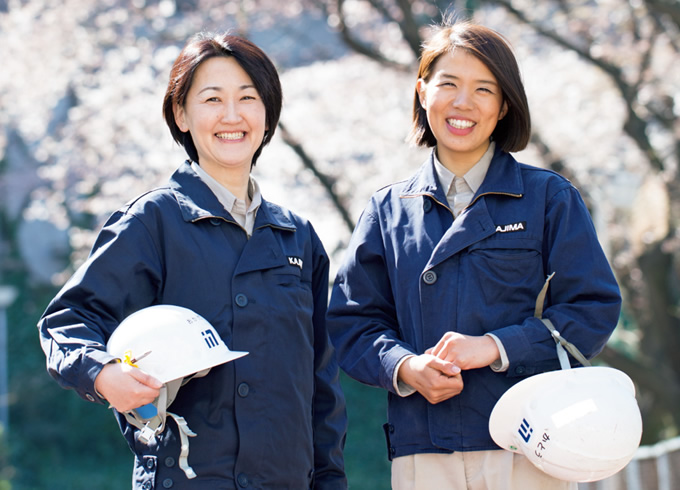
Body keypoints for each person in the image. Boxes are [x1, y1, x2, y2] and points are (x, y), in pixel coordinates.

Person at [38, 32, 347, 490]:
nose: (231, 115)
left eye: (248, 97)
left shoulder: (297, 238)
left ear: (268, 113)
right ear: (181, 115)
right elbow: (66, 322)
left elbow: (321, 388)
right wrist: (104, 375)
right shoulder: (151, 222)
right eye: (211, 99)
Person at [326, 18, 621, 490]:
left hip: (529, 448)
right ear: (422, 92)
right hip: (423, 453)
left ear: (504, 106)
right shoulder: (387, 210)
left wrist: (495, 347)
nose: (463, 103)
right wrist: (405, 367)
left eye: (484, 89)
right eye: (449, 84)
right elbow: (351, 322)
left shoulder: (548, 198)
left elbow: (592, 308)